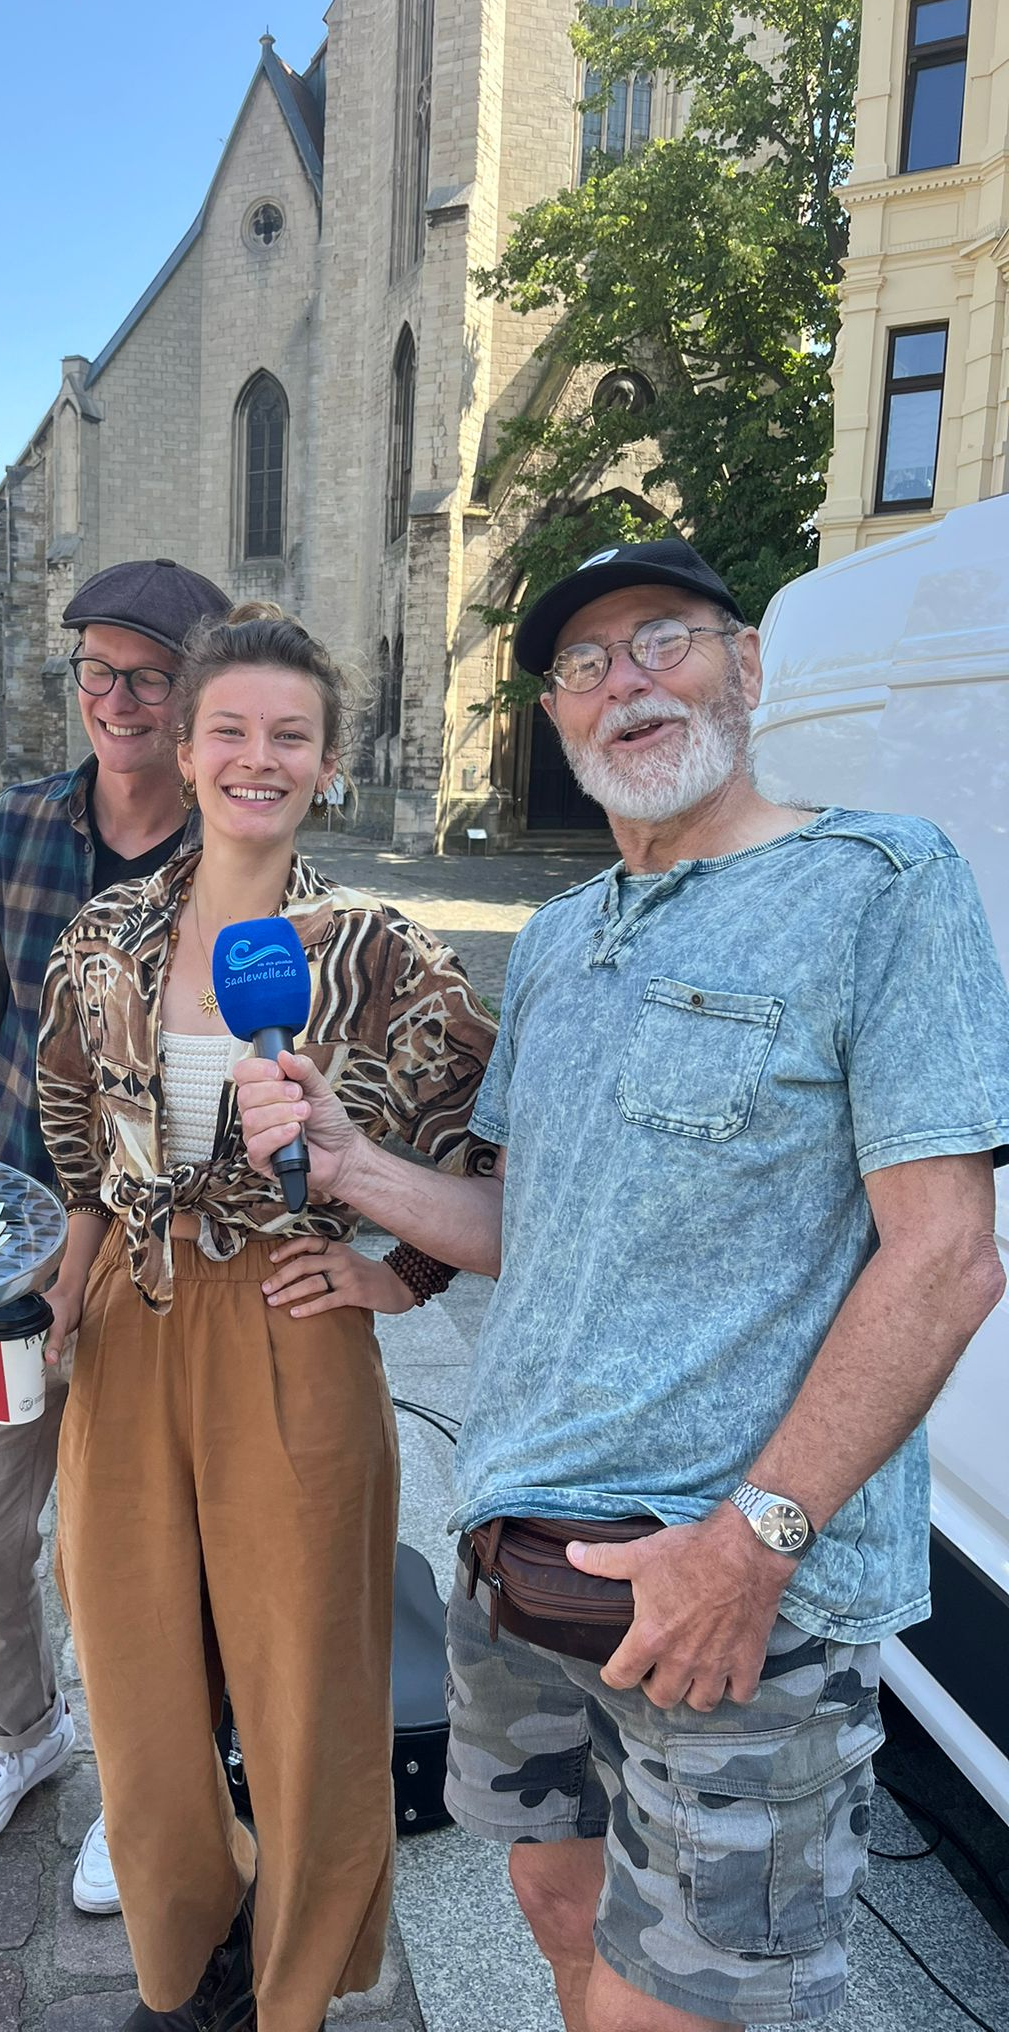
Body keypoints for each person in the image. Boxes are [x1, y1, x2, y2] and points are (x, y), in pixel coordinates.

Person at [235, 539, 1009, 2032]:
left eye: (665, 640)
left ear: (748, 665)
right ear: (556, 717)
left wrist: (753, 1543)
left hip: (733, 1601)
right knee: (557, 1907)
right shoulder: (559, 942)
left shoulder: (880, 885)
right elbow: (528, 1224)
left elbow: (947, 1258)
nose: (626, 684)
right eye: (584, 665)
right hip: (522, 1569)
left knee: (685, 2007)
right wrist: (349, 1163)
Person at [36, 613, 498, 2032]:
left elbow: (492, 1163)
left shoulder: (385, 955)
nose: (258, 757)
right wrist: (63, 1289)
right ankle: (191, 1967)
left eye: (289, 735)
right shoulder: (105, 934)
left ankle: (290, 1995)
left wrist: (398, 1278)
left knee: (305, 1691)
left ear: (328, 763)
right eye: (229, 729)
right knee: (137, 1679)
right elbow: (74, 1132)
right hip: (128, 1322)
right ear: (182, 750)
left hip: (290, 1323)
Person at [0, 557, 231, 1910]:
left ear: (197, 692)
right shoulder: (14, 832)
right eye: (100, 670)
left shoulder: (237, 861)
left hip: (157, 1265)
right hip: (2, 1246)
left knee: (135, 1549)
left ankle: (143, 1785)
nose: (119, 698)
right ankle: (21, 1735)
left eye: (151, 676)